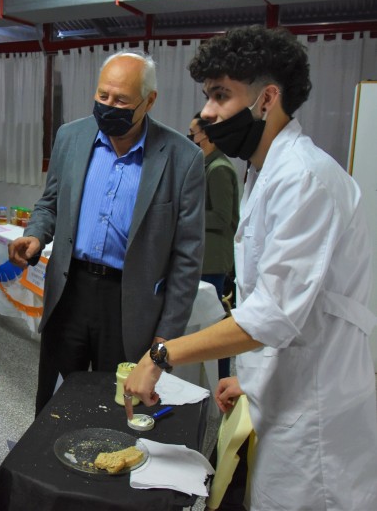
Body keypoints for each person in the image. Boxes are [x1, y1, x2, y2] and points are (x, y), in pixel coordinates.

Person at [124, 26, 377, 510]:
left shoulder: (306, 178)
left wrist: (160, 355)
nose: (207, 113)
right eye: (207, 97)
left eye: (221, 96)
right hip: (287, 389)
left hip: (317, 410)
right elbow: (298, 303)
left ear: (267, 99)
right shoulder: (266, 171)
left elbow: (272, 315)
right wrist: (252, 379)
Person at [8, 49, 205, 415]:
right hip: (69, 291)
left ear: (149, 101)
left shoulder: (182, 158)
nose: (109, 106)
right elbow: (50, 203)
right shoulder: (71, 137)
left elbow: (187, 259)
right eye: (103, 96)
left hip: (128, 302)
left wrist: (164, 341)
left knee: (115, 405)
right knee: (53, 400)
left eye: (121, 100)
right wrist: (36, 235)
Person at [188, 111, 239, 378]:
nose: (190, 139)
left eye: (192, 134)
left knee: (215, 323)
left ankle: (221, 377)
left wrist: (187, 214)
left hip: (214, 259)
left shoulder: (219, 169)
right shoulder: (206, 164)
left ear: (206, 135)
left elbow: (221, 217)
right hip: (202, 255)